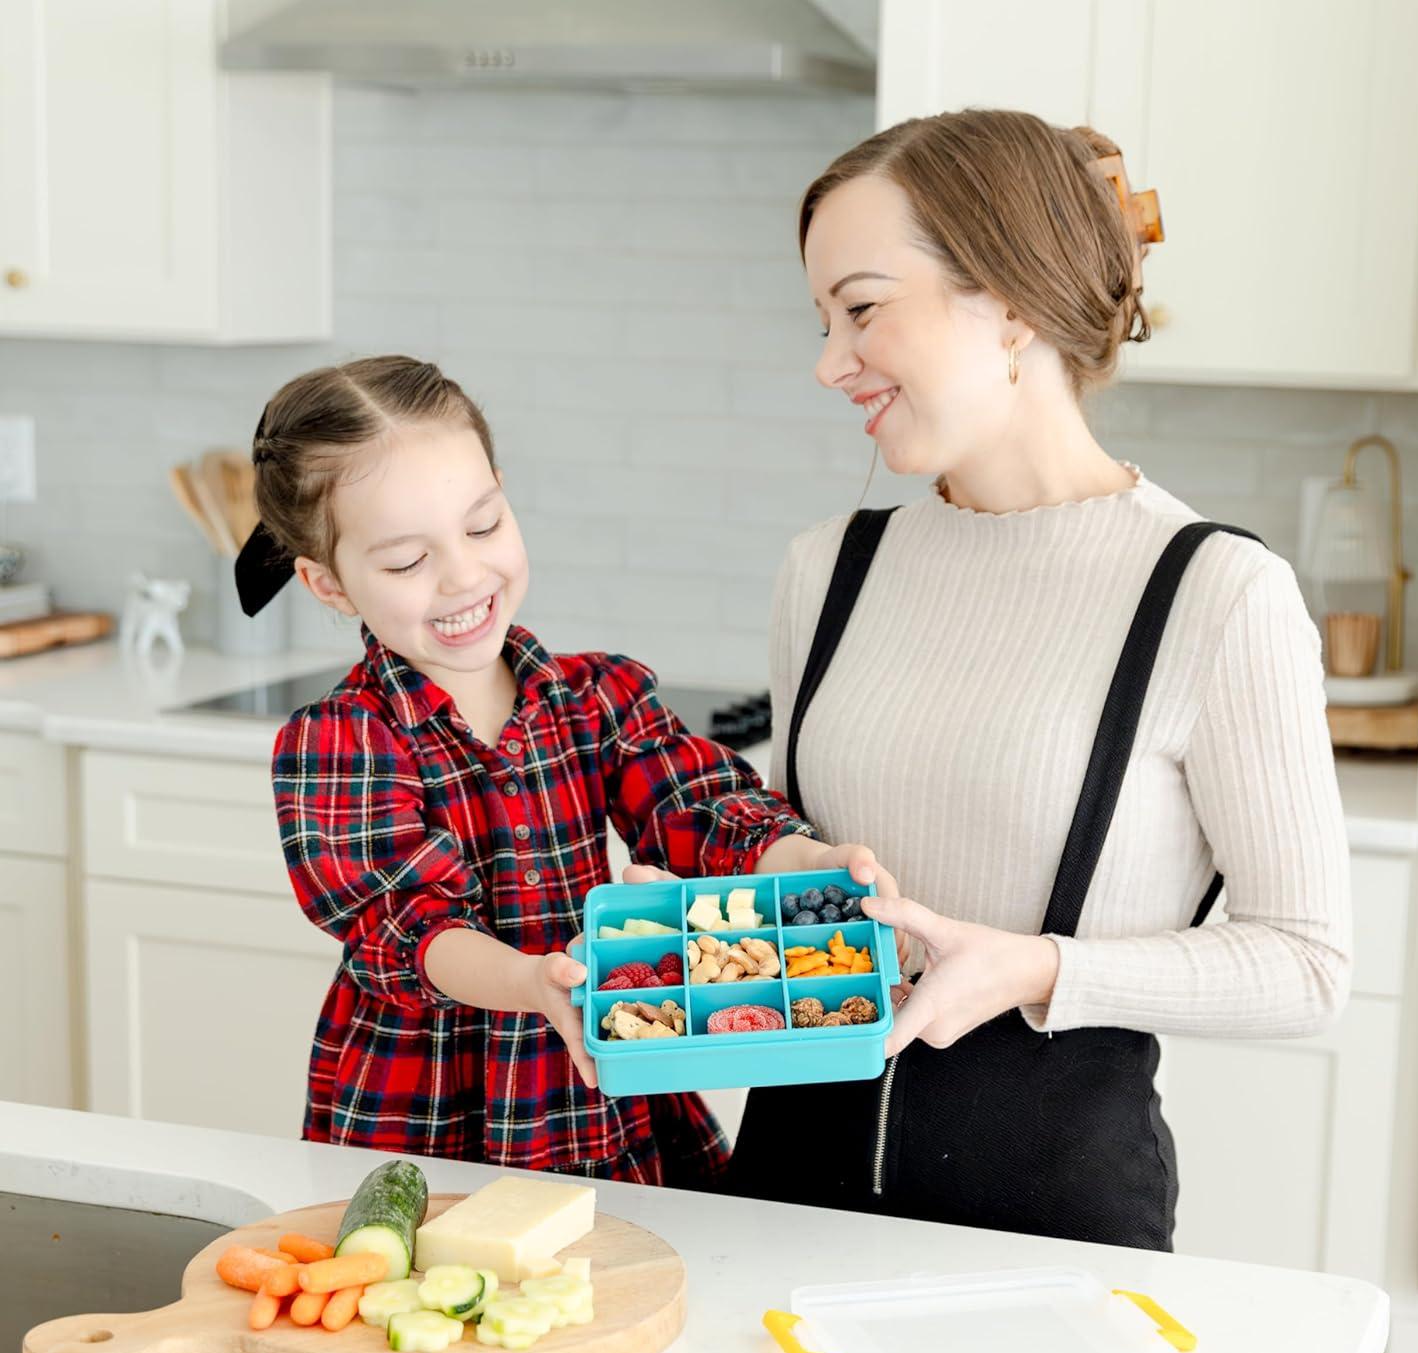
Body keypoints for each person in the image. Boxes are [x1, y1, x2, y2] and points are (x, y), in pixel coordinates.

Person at [725, 110, 1352, 1250]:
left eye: (861, 308)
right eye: (822, 319)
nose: (829, 362)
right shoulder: (829, 568)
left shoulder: (1213, 594)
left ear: (1009, 299)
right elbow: (794, 885)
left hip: (1049, 1231)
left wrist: (1035, 967)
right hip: (778, 1205)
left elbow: (1306, 966)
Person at [238, 354, 887, 1184]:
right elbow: (405, 930)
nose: (464, 574)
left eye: (483, 525)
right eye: (406, 562)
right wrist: (533, 983)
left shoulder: (595, 696)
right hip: (430, 1107)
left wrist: (809, 866)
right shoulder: (339, 742)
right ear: (328, 583)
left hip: (602, 1089)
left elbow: (697, 806)